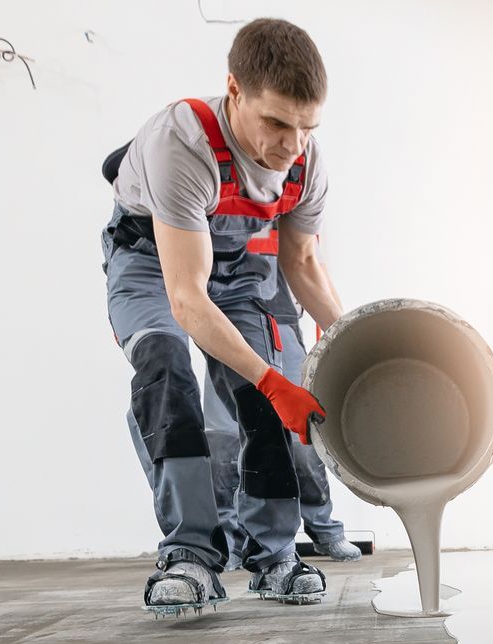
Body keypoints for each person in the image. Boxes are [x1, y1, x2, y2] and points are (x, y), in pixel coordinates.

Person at [98, 18, 346, 612]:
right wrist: (268, 377)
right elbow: (186, 298)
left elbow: (303, 264)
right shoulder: (181, 143)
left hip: (236, 268)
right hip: (152, 264)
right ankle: (190, 554)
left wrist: (354, 347)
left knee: (263, 388)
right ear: (234, 90)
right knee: (166, 372)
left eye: (307, 127)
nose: (292, 146)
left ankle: (274, 556)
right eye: (277, 123)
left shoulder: (307, 163)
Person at [203, 272, 363, 570]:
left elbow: (311, 266)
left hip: (278, 316)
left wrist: (342, 336)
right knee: (223, 436)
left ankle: (322, 525)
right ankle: (230, 539)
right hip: (222, 320)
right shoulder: (215, 224)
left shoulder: (290, 225)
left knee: (300, 429)